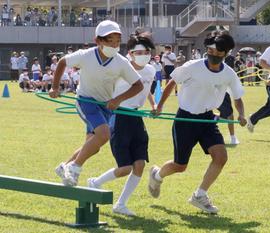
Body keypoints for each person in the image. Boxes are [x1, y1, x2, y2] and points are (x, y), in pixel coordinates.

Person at [148, 31, 246, 214]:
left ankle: (199, 195)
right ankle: (157, 175)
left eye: (218, 53)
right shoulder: (192, 66)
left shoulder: (229, 74)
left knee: (221, 157)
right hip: (185, 118)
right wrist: (159, 106)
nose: (213, 55)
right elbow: (172, 83)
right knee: (180, 166)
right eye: (210, 51)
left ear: (226, 53)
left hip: (208, 119)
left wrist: (241, 114)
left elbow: (237, 97)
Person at [50, 20, 144, 187]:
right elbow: (63, 61)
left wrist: (118, 99)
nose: (114, 45)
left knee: (93, 145)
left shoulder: (121, 62)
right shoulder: (85, 55)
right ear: (98, 41)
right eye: (110, 41)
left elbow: (138, 85)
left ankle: (64, 166)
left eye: (117, 41)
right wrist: (55, 87)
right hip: (85, 100)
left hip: (105, 106)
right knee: (104, 135)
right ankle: (74, 168)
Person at [87, 32, 156, 216]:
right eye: (139, 52)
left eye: (147, 52)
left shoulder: (150, 70)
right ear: (131, 53)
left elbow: (145, 88)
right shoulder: (119, 67)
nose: (143, 55)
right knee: (125, 168)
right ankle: (95, 182)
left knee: (140, 164)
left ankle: (121, 204)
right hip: (118, 117)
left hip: (136, 118)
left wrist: (153, 104)